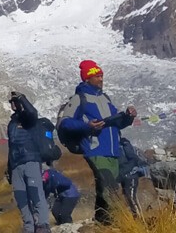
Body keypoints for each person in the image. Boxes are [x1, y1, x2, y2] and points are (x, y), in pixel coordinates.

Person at [57, 60, 137, 224]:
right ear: (87, 79)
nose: (101, 79)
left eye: (101, 75)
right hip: (95, 150)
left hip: (113, 152)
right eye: (97, 76)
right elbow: (64, 123)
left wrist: (128, 117)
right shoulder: (79, 99)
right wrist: (87, 126)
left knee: (105, 188)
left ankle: (102, 222)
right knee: (111, 190)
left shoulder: (105, 98)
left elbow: (117, 123)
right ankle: (119, 225)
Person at [7, 93, 51, 233]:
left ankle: (43, 226)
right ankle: (29, 227)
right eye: (11, 102)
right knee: (21, 199)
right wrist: (9, 167)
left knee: (36, 194)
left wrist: (21, 98)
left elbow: (33, 112)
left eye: (15, 101)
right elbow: (11, 146)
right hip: (16, 164)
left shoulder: (28, 118)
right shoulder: (12, 123)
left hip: (30, 160)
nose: (13, 104)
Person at [117, 139, 147, 213]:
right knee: (129, 196)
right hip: (128, 175)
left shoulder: (123, 145)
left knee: (130, 196)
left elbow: (132, 158)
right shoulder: (123, 145)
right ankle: (135, 216)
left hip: (130, 175)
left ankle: (138, 218)